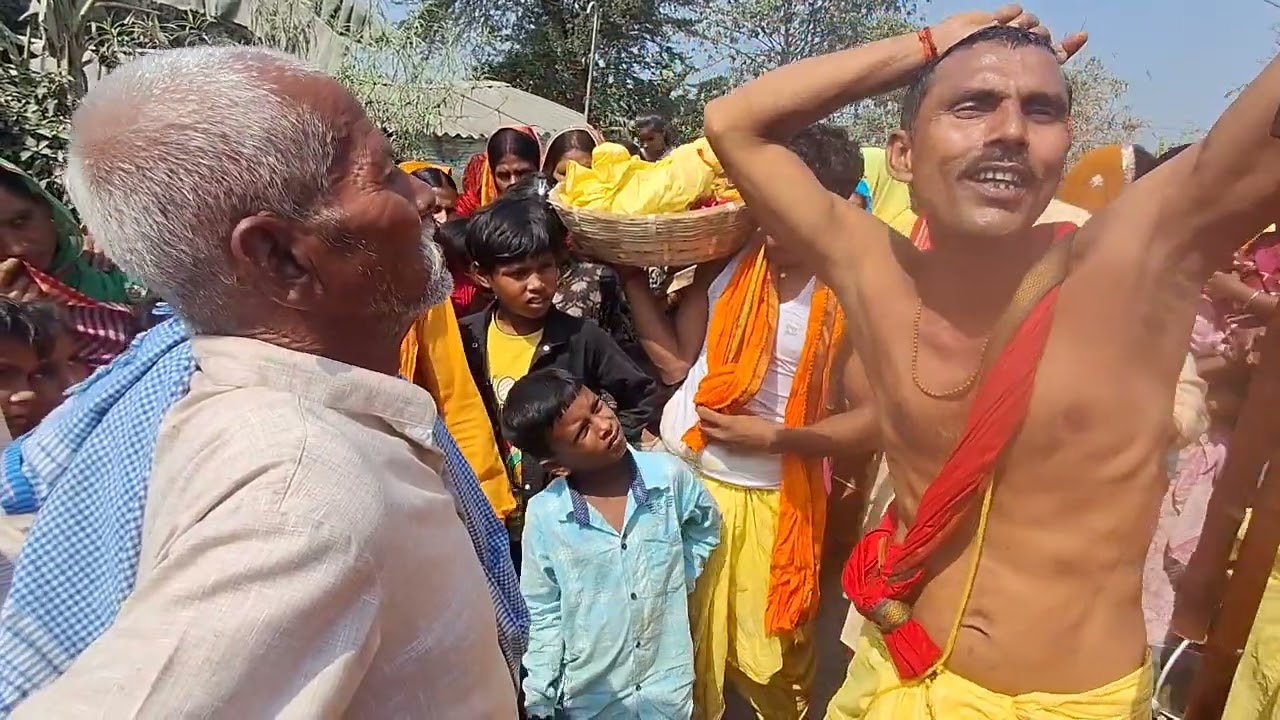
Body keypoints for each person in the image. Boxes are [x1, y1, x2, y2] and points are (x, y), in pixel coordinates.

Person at [705, 4, 1280, 716]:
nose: (1009, 131)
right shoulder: (875, 274)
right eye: (973, 105)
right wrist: (930, 44)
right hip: (895, 676)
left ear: (1063, 149)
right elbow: (735, 123)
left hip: (1068, 703)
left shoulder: (1136, 264)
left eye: (1040, 112)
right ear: (905, 153)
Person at [0, 47, 520, 717]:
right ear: (280, 256)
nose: (423, 197)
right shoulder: (301, 489)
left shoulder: (282, 427)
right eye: (385, 175)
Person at [621, 124, 877, 720]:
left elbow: (877, 423)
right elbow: (676, 362)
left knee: (775, 670)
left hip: (773, 497)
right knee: (679, 650)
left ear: (832, 207)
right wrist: (631, 276)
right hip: (686, 481)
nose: (772, 224)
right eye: (766, 203)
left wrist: (778, 439)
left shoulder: (854, 293)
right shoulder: (730, 262)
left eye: (792, 210)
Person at [504, 368, 720, 719]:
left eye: (598, 406)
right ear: (557, 466)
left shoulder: (668, 478)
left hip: (667, 689)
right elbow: (544, 612)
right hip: (592, 700)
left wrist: (680, 576)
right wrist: (539, 698)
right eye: (582, 431)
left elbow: (705, 525)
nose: (604, 424)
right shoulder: (546, 516)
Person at [459, 180, 660, 518]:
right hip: (487, 505)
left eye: (546, 267)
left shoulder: (582, 337)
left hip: (563, 509)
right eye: (518, 274)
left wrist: (587, 452)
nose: (537, 284)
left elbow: (641, 395)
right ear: (482, 276)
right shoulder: (468, 340)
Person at [457, 125, 543, 217]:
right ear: (492, 177)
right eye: (504, 176)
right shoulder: (471, 218)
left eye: (523, 173)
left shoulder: (555, 213)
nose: (513, 183)